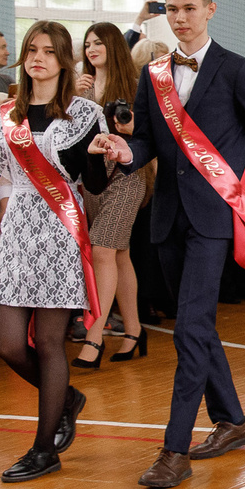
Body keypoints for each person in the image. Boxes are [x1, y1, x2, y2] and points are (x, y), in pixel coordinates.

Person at [111, 0, 245, 487]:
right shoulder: (156, 73)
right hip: (166, 216)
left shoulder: (238, 69)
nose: (180, 18)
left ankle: (174, 449)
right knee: (197, 325)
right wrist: (127, 151)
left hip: (212, 218)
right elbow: (145, 139)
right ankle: (232, 421)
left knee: (189, 328)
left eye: (188, 8)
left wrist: (229, 181)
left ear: (210, 10)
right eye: (172, 9)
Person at [0, 22, 114, 482]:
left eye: (49, 52)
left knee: (50, 343)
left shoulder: (84, 112)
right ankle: (66, 400)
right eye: (32, 49)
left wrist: (96, 154)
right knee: (8, 344)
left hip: (60, 228)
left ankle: (43, 449)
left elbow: (93, 184)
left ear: (64, 60)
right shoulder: (5, 114)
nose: (38, 58)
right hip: (16, 230)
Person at [77, 22, 152, 367]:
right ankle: (134, 331)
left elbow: (150, 136)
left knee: (103, 249)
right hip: (90, 179)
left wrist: (132, 127)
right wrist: (73, 97)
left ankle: (94, 336)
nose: (91, 49)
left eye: (99, 43)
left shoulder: (136, 88)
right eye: (87, 44)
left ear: (114, 47)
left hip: (125, 176)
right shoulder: (80, 87)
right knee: (120, 256)